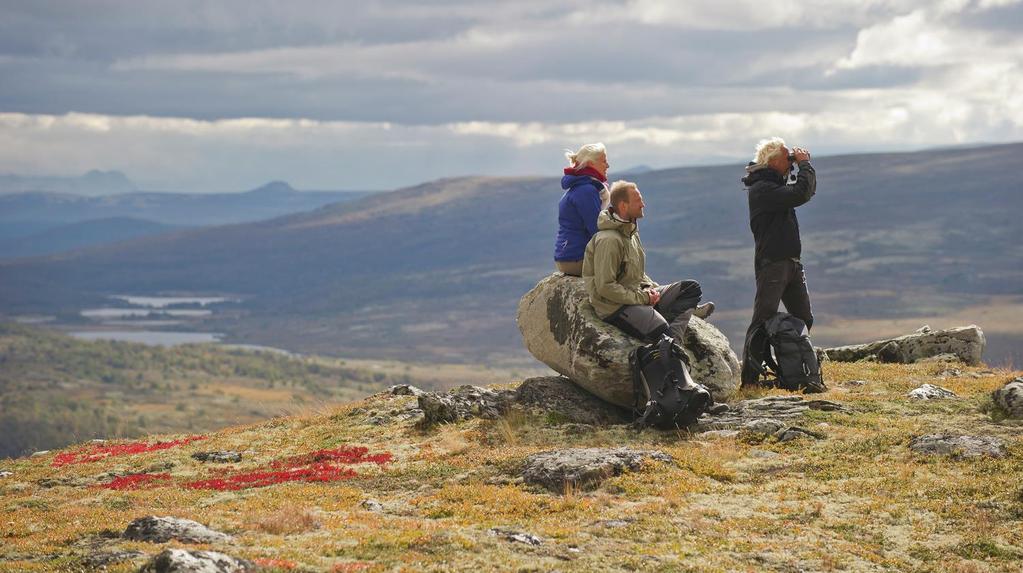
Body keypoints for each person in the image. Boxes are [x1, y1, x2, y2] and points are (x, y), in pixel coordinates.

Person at [582, 180, 714, 345]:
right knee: (662, 331)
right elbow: (605, 286)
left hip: (636, 295)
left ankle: (672, 341)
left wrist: (650, 289)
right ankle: (670, 343)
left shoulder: (630, 232)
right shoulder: (609, 240)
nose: (643, 204)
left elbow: (635, 272)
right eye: (638, 201)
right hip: (616, 307)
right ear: (623, 206)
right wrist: (643, 298)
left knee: (690, 289)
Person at [740, 137, 816, 382]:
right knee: (762, 320)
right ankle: (749, 379)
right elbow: (801, 193)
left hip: (791, 261)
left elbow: (800, 191)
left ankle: (795, 368)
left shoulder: (773, 185)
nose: (790, 163)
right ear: (772, 161)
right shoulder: (762, 188)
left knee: (804, 318)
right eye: (787, 158)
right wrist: (805, 165)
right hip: (773, 263)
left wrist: (797, 165)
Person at [553, 142, 610, 276]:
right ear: (591, 164)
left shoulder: (580, 188)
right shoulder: (586, 191)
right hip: (576, 259)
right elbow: (596, 228)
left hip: (567, 257)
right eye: (604, 161)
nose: (607, 165)